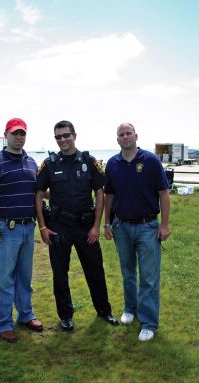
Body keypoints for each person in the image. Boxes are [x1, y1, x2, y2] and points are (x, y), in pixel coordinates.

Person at [35, 120, 118, 331]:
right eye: (58, 137)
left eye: (66, 135)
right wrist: (43, 228)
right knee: (60, 274)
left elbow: (100, 193)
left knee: (95, 271)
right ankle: (66, 316)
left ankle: (104, 311)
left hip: (85, 226)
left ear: (74, 135)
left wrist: (96, 226)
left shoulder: (89, 162)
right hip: (58, 227)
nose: (62, 140)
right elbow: (37, 195)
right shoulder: (49, 164)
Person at [104, 123, 171, 341]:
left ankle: (149, 322)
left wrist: (165, 224)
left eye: (128, 133)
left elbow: (163, 193)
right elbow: (109, 196)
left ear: (136, 136)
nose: (125, 137)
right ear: (117, 139)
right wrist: (107, 223)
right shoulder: (113, 164)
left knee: (149, 277)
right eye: (121, 134)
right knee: (128, 272)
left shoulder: (150, 160)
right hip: (121, 226)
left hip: (148, 227)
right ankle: (130, 309)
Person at [0, 117, 43, 343]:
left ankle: (26, 315)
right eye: (15, 133)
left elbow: (38, 194)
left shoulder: (32, 163)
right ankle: (2, 323)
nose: (19, 137)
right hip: (5, 229)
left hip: (27, 228)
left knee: (24, 277)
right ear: (6, 135)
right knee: (3, 278)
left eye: (22, 133)